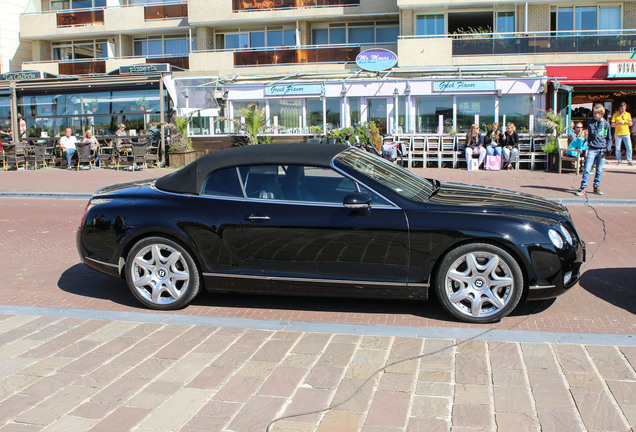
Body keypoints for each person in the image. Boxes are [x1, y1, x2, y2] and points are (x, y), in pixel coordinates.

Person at [576, 104, 612, 196]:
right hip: (592, 148)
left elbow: (609, 138)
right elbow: (594, 133)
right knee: (587, 169)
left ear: (601, 114)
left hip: (601, 149)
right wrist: (600, 124)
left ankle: (596, 186)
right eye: (594, 113)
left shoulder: (606, 124)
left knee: (599, 169)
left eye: (596, 113)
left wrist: (607, 148)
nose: (594, 115)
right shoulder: (591, 122)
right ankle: (583, 186)